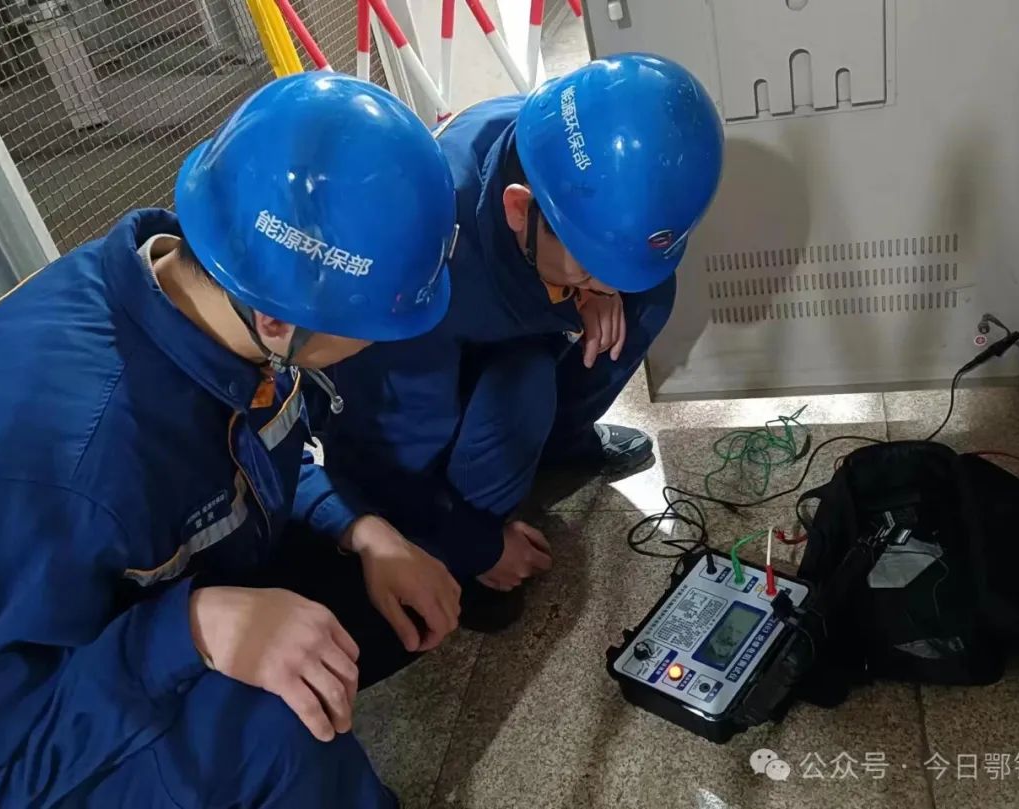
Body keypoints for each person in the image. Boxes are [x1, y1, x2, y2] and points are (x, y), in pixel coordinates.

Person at [0, 72, 461, 808]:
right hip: (40, 732)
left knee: (383, 589)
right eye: (365, 328)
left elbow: (251, 451)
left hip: (132, 614)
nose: (374, 345)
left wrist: (362, 529)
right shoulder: (72, 466)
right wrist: (189, 631)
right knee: (272, 733)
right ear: (278, 322)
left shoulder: (214, 306)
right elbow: (12, 752)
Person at [307, 54, 724, 621]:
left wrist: (594, 284)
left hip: (504, 298)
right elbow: (377, 457)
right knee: (521, 389)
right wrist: (473, 544)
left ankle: (559, 444)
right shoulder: (422, 260)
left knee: (646, 297)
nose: (610, 284)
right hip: (406, 391)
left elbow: (612, 258)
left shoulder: (559, 157)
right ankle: (462, 549)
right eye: (593, 265)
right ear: (519, 209)